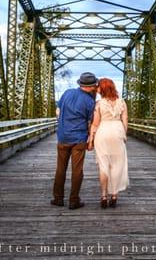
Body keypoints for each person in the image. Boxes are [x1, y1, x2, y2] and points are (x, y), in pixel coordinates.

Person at [51, 71, 98, 210]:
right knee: (77, 170)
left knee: (60, 169)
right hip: (79, 139)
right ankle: (73, 201)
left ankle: (58, 198)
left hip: (63, 137)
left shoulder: (67, 92)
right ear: (90, 86)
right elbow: (91, 123)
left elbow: (58, 111)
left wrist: (63, 122)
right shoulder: (90, 101)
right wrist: (91, 140)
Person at [88, 77, 129, 208]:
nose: (97, 88)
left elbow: (95, 124)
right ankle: (114, 195)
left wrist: (90, 139)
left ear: (103, 88)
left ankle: (104, 195)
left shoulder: (99, 104)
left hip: (103, 132)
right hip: (117, 131)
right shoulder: (122, 102)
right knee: (117, 166)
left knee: (103, 165)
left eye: (98, 86)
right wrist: (124, 134)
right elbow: (125, 119)